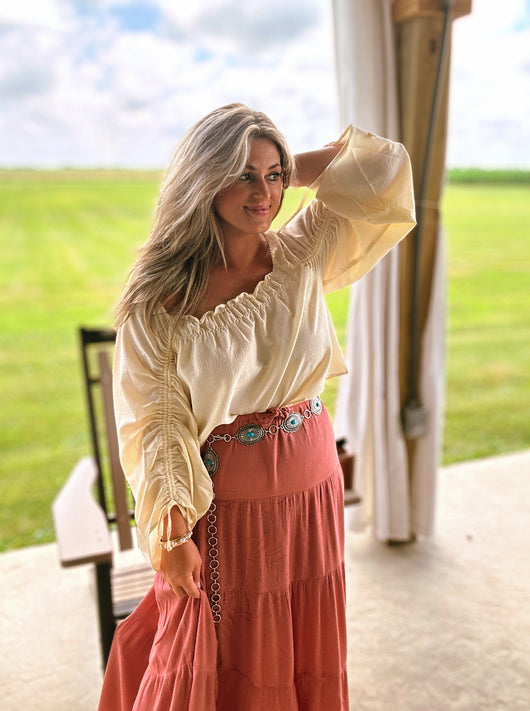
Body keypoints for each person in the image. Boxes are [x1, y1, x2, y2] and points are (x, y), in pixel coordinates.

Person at [98, 103, 415, 711]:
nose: (263, 194)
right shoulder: (159, 301)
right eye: (243, 175)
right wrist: (173, 529)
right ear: (205, 178)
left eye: (273, 176)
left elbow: (385, 170)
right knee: (226, 655)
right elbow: (157, 422)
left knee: (304, 642)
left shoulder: (302, 251)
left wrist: (290, 167)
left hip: (313, 484)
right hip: (231, 507)